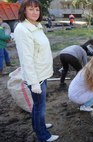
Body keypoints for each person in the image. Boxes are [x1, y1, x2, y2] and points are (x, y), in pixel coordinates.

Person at [14, 0, 59, 141]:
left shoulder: (36, 26)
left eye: (37, 9)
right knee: (40, 106)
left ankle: (38, 125)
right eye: (31, 9)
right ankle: (43, 135)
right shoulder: (22, 29)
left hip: (42, 73)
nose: (35, 12)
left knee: (38, 105)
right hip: (36, 76)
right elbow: (26, 59)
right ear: (24, 11)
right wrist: (33, 82)